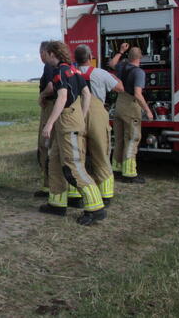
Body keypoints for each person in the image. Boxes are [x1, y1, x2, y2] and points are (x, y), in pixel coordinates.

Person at [40, 41, 107, 226]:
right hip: (73, 119)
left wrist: (49, 124)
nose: (41, 57)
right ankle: (57, 203)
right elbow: (86, 94)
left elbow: (62, 97)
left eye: (43, 53)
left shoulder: (60, 72)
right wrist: (82, 117)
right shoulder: (74, 70)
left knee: (73, 167)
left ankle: (95, 208)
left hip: (66, 122)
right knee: (54, 161)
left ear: (52, 53)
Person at [75, 45, 124, 205]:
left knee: (77, 156)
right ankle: (106, 194)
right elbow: (120, 88)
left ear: (76, 58)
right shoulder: (101, 73)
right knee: (101, 154)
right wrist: (113, 76)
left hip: (76, 116)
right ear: (90, 57)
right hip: (97, 115)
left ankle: (76, 194)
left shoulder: (70, 73)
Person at [108, 43, 154, 184]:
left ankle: (116, 169)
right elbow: (137, 94)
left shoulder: (122, 66)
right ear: (140, 57)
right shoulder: (139, 72)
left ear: (128, 57)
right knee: (132, 139)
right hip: (131, 107)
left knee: (120, 139)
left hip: (119, 105)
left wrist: (120, 51)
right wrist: (147, 110)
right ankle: (129, 173)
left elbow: (111, 64)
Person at [35, 40, 56, 198]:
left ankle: (48, 186)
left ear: (44, 53)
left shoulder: (48, 66)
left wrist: (41, 96)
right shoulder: (62, 66)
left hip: (49, 108)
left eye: (40, 53)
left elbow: (50, 86)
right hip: (58, 109)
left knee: (44, 146)